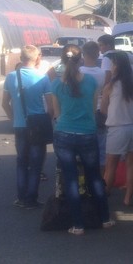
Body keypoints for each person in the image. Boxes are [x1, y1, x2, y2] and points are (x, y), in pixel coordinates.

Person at [49, 44, 113, 235]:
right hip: (87, 133)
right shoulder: (92, 83)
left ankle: (78, 224)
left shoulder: (56, 85)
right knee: (94, 176)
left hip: (64, 134)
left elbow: (57, 114)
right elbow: (93, 110)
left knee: (71, 179)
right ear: (81, 59)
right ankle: (105, 218)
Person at [1, 45, 54, 209]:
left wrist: (14, 118)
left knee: (22, 162)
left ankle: (21, 197)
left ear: (21, 58)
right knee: (36, 164)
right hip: (37, 125)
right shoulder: (42, 77)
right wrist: (46, 120)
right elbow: (51, 107)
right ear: (37, 57)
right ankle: (31, 199)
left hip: (20, 126)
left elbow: (4, 103)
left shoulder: (11, 77)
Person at [100, 51, 133, 205]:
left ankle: (105, 193)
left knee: (111, 166)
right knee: (131, 164)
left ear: (116, 65)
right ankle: (128, 198)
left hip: (116, 129)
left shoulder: (110, 85)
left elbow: (103, 109)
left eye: (113, 63)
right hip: (132, 127)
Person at [79, 41, 107, 168]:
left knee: (83, 150)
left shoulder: (78, 72)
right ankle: (101, 180)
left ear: (83, 54)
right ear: (98, 54)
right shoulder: (102, 74)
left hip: (82, 113)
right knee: (101, 148)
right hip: (99, 112)